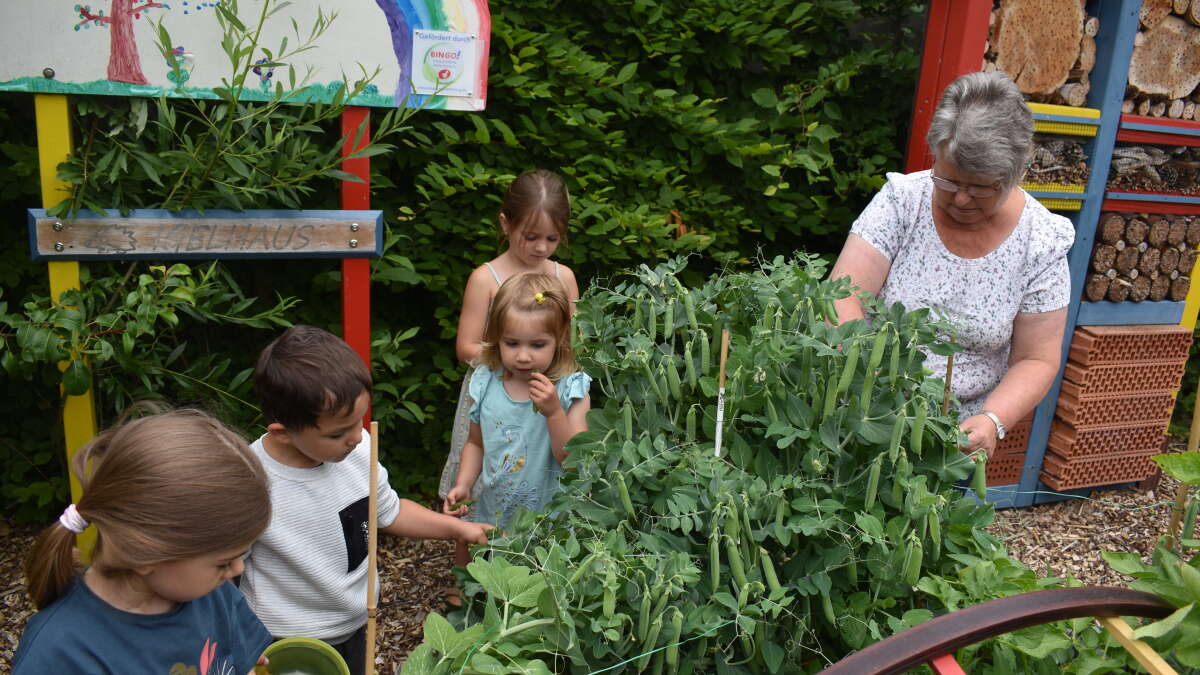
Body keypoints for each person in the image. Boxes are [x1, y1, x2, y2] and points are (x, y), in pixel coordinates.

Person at [829, 70, 1072, 458]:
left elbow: (1036, 358)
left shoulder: (1041, 242)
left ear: (1014, 175)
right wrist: (868, 379)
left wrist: (992, 419)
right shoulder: (902, 202)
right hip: (864, 414)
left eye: (979, 187)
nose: (960, 199)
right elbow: (841, 296)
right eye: (948, 181)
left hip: (952, 440)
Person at [239, 324, 492, 675]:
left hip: (356, 622)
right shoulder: (249, 482)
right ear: (283, 434)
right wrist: (236, 637)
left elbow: (389, 511)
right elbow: (225, 572)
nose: (357, 437)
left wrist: (457, 529)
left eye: (360, 420)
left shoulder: (358, 453)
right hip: (284, 639)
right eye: (338, 433)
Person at [14, 408, 273, 675]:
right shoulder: (61, 656)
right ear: (144, 554)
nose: (238, 569)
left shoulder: (210, 594)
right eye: (223, 563)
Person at [439, 169, 579, 569]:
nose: (541, 247)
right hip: (495, 391)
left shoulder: (563, 277)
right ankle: (465, 578)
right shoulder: (486, 278)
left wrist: (548, 368)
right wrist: (507, 360)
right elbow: (466, 345)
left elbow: (572, 341)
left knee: (538, 477)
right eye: (530, 236)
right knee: (478, 482)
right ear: (505, 223)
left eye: (552, 239)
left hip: (544, 393)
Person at [443, 272, 592, 530]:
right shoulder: (486, 381)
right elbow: (476, 443)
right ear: (496, 338)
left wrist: (554, 413)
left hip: (550, 526)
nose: (523, 356)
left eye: (537, 345)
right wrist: (464, 484)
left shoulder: (571, 387)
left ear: (560, 339)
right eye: (511, 343)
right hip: (495, 515)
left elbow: (572, 461)